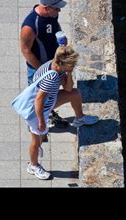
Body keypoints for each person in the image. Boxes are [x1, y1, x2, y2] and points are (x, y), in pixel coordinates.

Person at [26, 45, 99, 180]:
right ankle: (33, 165)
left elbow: (69, 88)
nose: (74, 66)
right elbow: (38, 101)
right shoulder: (51, 77)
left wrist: (69, 73)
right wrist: (42, 120)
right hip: (36, 110)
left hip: (49, 102)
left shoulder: (56, 67)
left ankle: (79, 118)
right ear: (62, 63)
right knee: (35, 141)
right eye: (71, 65)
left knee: (75, 94)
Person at [20, 0, 69, 128]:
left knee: (50, 91)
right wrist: (42, 69)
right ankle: (35, 123)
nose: (59, 10)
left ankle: (49, 114)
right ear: (47, 8)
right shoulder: (30, 26)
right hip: (39, 68)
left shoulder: (51, 15)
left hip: (52, 63)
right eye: (57, 8)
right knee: (38, 95)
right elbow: (25, 50)